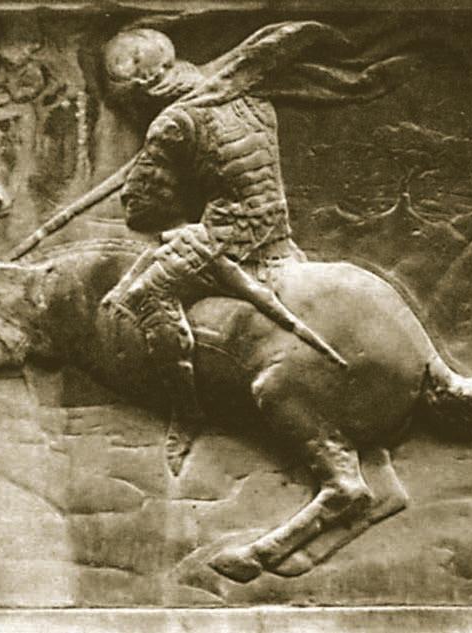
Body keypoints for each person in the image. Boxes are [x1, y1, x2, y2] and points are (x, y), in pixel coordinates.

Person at [98, 28, 315, 472]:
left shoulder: (173, 123)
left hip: (229, 238)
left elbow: (142, 209)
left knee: (147, 294)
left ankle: (187, 412)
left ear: (141, 87)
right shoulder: (248, 96)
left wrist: (155, 171)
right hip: (275, 230)